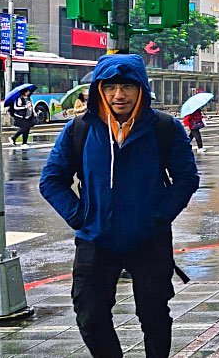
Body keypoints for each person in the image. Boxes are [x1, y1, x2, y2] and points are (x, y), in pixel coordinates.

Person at [39, 53, 199, 358]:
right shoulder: (81, 129)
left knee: (154, 315)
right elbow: (51, 180)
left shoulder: (164, 128)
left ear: (141, 88)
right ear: (99, 90)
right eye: (110, 87)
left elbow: (186, 179)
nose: (119, 95)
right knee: (89, 314)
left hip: (148, 238)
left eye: (127, 86)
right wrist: (80, 216)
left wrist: (159, 216)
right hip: (96, 238)